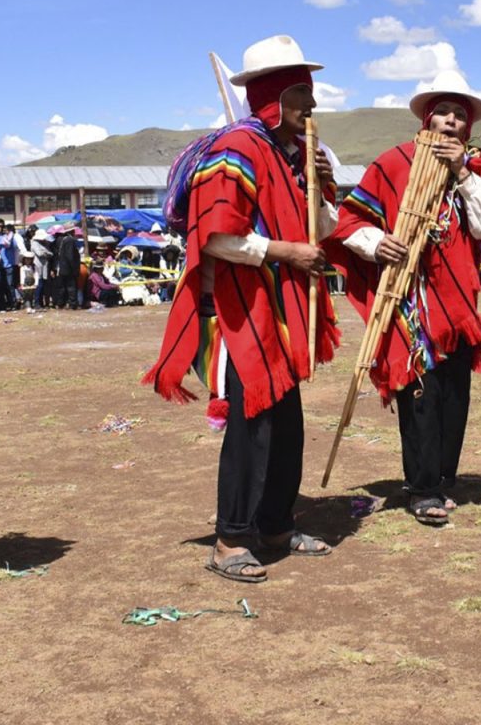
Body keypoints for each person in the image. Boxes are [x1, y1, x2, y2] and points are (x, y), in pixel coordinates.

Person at [145, 36, 341, 582]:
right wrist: (283, 252)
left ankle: (277, 523)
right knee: (251, 424)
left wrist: (324, 188)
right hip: (240, 308)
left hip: (281, 305)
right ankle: (230, 538)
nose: (313, 107)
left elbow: (322, 230)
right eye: (302, 94)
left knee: (287, 423)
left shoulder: (292, 155)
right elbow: (213, 235)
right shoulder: (238, 148)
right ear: (273, 96)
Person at [327, 71, 481, 525]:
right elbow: (349, 222)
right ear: (426, 117)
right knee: (419, 394)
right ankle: (420, 488)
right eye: (444, 112)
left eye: (461, 115)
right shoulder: (393, 164)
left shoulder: (480, 168)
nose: (451, 122)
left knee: (454, 395)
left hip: (457, 306)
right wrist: (378, 243)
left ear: (469, 127)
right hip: (408, 303)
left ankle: (442, 477)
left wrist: (463, 172)